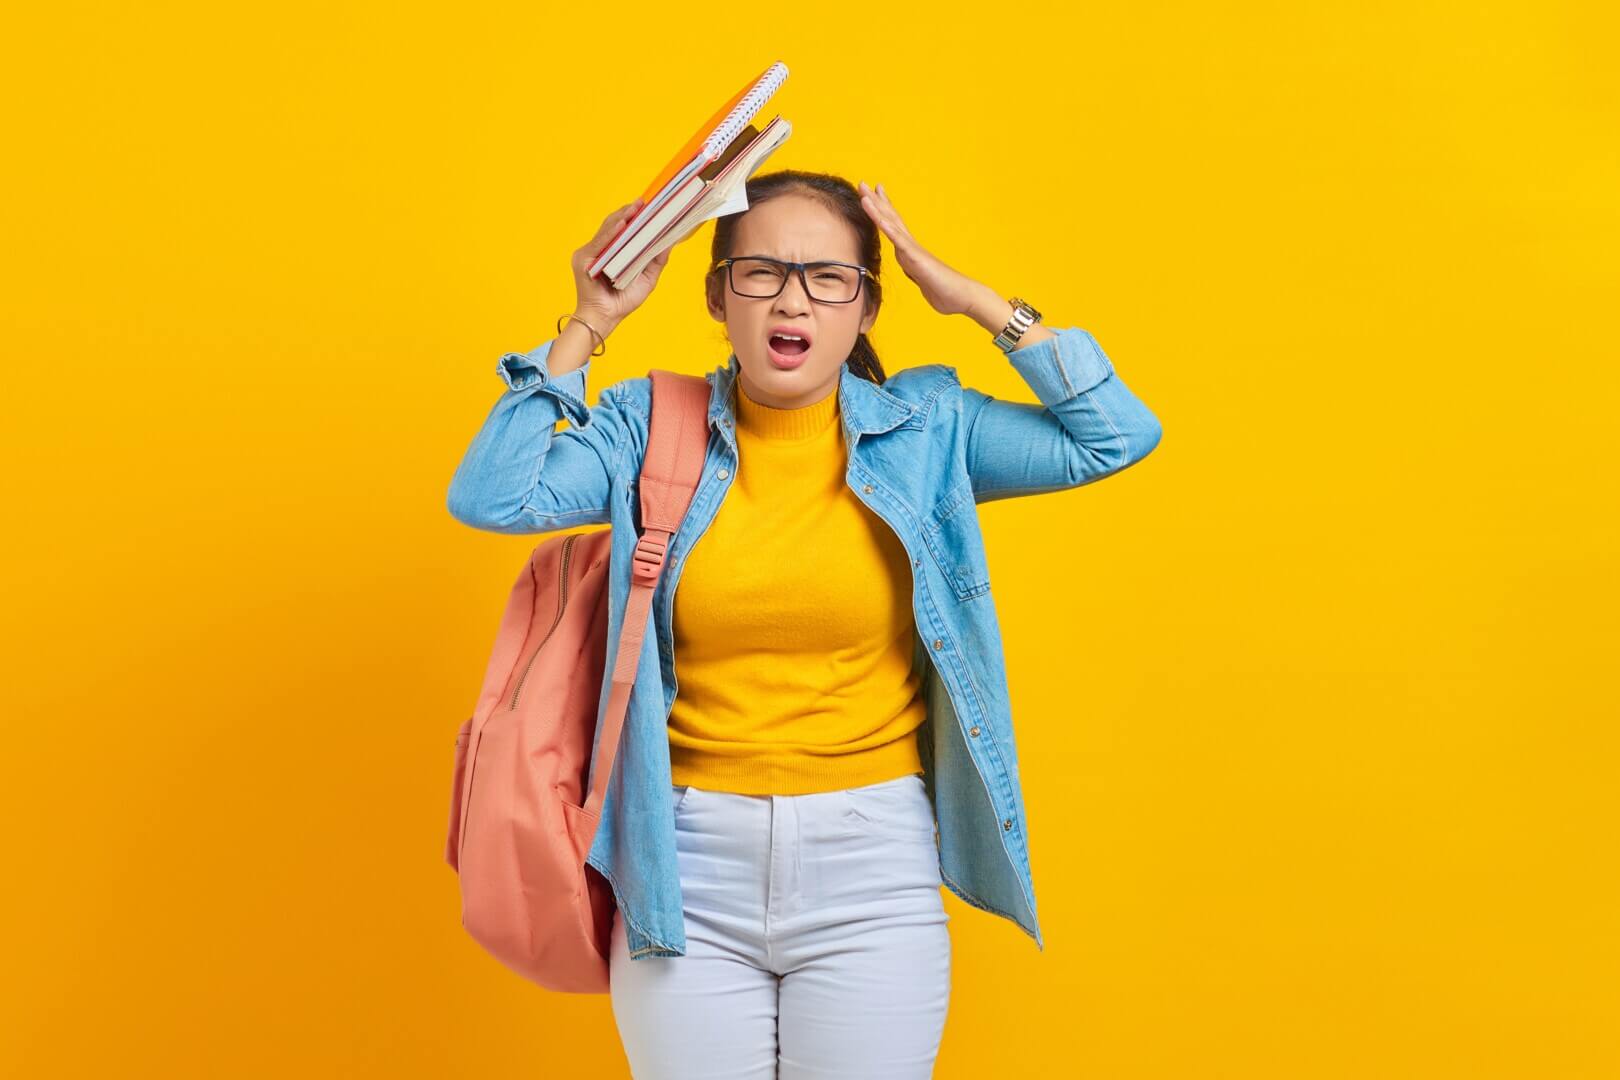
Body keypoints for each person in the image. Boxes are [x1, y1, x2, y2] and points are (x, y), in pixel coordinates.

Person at [447, 170, 1164, 1078]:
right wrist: (588, 324)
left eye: (829, 278)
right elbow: (492, 496)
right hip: (684, 867)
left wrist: (978, 303)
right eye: (762, 272)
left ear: (866, 307)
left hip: (872, 865)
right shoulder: (645, 426)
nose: (793, 299)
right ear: (716, 294)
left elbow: (1115, 435)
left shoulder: (925, 430)